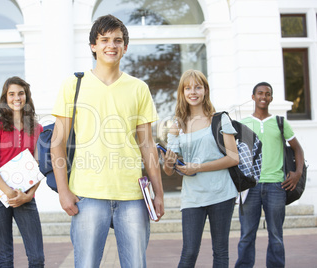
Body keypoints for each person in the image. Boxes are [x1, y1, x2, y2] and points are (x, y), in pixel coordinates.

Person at [51, 14, 164, 267]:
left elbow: (147, 145)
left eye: (117, 40)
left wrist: (158, 192)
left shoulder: (138, 88)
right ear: (93, 45)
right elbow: (56, 143)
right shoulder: (73, 84)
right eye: (104, 40)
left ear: (125, 47)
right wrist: (63, 191)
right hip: (87, 194)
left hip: (132, 194)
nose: (111, 45)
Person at [161, 69, 239, 268]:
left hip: (221, 193)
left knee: (220, 252)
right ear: (182, 92)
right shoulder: (177, 125)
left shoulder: (220, 119)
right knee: (189, 252)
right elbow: (169, 171)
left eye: (198, 87)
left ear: (205, 90)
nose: (193, 92)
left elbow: (233, 158)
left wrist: (199, 167)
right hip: (192, 197)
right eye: (188, 88)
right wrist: (169, 163)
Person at [235, 82, 305, 268]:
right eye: (259, 93)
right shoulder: (244, 125)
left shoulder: (280, 123)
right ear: (253, 97)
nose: (263, 96)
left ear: (271, 98)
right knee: (246, 235)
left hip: (276, 186)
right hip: (250, 187)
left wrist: (297, 173)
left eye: (267, 94)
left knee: (276, 235)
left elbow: (297, 149)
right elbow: (237, 157)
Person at [0, 76, 45, 267]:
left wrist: (28, 195)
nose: (16, 98)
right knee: (5, 258)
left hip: (25, 195)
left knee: (36, 258)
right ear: (5, 98)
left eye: (20, 93)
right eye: (11, 94)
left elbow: (38, 165)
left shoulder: (38, 128)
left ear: (26, 96)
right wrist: (9, 192)